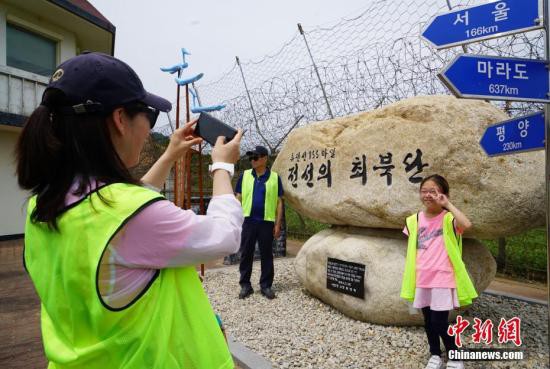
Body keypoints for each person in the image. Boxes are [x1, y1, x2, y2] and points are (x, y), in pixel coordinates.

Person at [16, 52, 243, 369]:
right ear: (120, 119)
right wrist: (222, 166)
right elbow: (225, 235)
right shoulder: (130, 215)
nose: (150, 129)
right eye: (149, 116)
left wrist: (169, 155)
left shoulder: (40, 206)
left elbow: (118, 210)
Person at [400, 174, 478, 369]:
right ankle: (434, 354)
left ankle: (454, 355)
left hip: (443, 277)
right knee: (427, 320)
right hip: (422, 276)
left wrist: (448, 204)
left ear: (443, 194)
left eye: (433, 191)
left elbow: (467, 224)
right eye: (424, 191)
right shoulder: (413, 220)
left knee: (439, 321)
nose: (427, 195)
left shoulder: (449, 218)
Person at [234, 145, 284, 299]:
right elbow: (238, 197)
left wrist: (277, 224)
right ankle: (245, 285)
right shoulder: (245, 175)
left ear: (264, 158)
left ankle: (266, 285)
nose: (252, 160)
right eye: (251, 157)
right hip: (247, 221)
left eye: (255, 157)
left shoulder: (275, 178)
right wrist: (234, 219)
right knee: (246, 253)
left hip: (266, 222)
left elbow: (279, 202)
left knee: (267, 254)